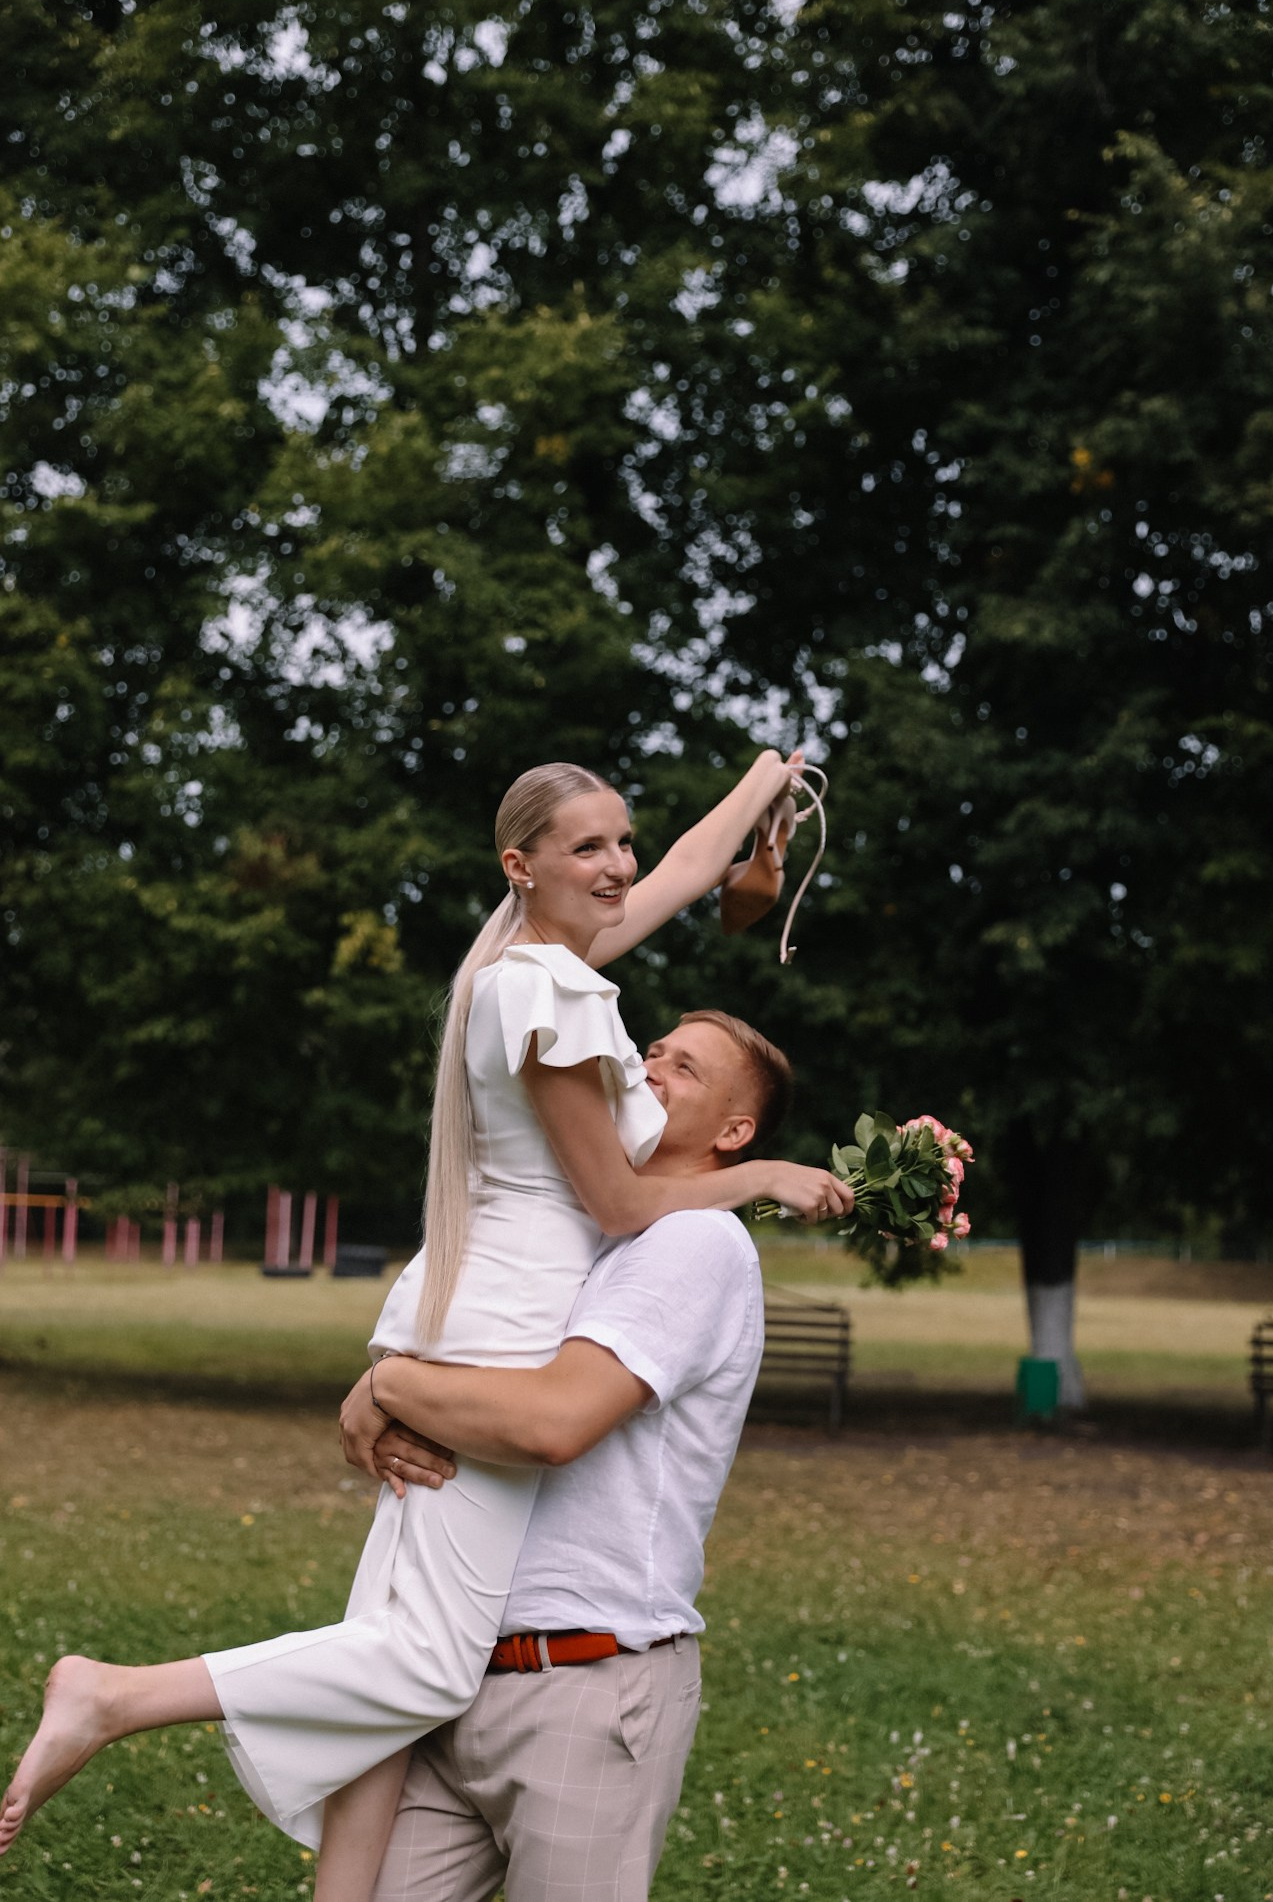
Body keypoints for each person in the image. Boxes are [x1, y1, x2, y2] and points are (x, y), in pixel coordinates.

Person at [0, 754, 852, 1900]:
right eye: (586, 846)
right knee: (418, 1656)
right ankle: (111, 1694)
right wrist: (766, 1181)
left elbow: (696, 871)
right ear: (520, 865)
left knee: (389, 1644)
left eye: (621, 840)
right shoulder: (545, 993)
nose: (619, 866)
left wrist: (764, 779)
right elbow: (611, 1204)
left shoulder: (540, 969)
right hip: (503, 1323)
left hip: (466, 1313)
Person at [336, 1007, 790, 1902]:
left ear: (735, 1132)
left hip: (585, 1690)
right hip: (453, 1671)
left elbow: (554, 1422)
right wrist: (395, 1371)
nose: (651, 1067)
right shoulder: (584, 1228)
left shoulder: (694, 1243)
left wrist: (388, 1384)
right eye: (651, 1050)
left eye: (686, 1069)